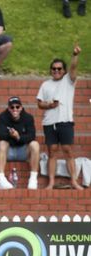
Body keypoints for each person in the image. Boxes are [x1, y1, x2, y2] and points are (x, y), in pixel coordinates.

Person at [36, 44, 84, 190]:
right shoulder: (45, 84)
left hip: (65, 121)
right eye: (54, 69)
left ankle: (74, 181)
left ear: (63, 71)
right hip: (49, 122)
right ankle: (50, 182)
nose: (56, 71)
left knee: (68, 150)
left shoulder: (68, 81)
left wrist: (75, 55)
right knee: (52, 152)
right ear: (51, 70)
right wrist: (49, 105)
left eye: (59, 69)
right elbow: (39, 104)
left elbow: (74, 68)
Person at [0, 97, 39, 190]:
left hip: (23, 151)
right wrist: (12, 136)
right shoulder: (2, 117)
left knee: (35, 144)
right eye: (12, 107)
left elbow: (32, 136)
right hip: (8, 151)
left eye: (17, 107)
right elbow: (1, 135)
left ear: (21, 107)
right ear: (8, 108)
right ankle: (0, 179)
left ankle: (33, 178)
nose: (15, 109)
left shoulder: (28, 118)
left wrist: (18, 137)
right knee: (2, 143)